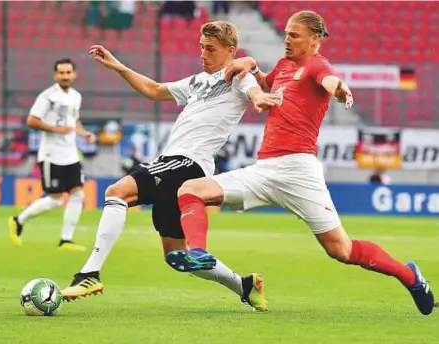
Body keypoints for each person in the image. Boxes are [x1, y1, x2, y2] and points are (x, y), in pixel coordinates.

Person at [165, 11, 437, 316]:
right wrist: (248, 62)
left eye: (294, 35)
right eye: (285, 34)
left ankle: (410, 277)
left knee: (341, 249)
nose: (287, 40)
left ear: (314, 39)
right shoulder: (283, 66)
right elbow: (259, 84)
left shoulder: (317, 65)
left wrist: (340, 89)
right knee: (191, 189)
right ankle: (199, 253)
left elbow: (330, 80)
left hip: (299, 171)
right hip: (265, 169)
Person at [61, 21, 279, 311]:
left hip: (189, 164)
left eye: (210, 49)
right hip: (173, 163)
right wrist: (119, 67)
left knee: (117, 191)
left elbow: (254, 90)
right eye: (201, 46)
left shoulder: (238, 77)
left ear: (230, 51)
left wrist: (260, 96)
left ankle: (89, 273)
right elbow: (153, 90)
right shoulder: (197, 81)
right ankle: (244, 285)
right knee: (176, 256)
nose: (203, 53)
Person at [8, 58, 95, 252]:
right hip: (51, 154)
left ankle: (66, 240)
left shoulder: (76, 96)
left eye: (68, 72)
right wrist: (56, 129)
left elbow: (74, 121)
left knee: (77, 194)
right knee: (55, 200)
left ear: (74, 74)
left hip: (71, 154)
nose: (65, 76)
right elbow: (32, 120)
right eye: (61, 73)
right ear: (55, 75)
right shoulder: (48, 96)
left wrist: (82, 132)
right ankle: (18, 220)